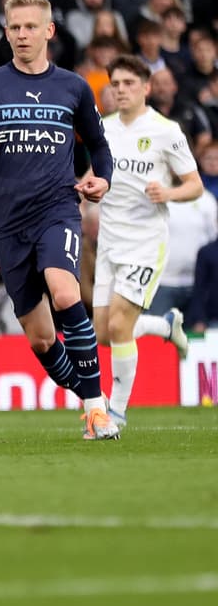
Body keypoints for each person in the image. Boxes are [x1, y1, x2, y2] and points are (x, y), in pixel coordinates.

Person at [0, 0, 119, 440]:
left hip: (58, 208)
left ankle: (97, 411)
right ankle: (92, 396)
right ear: (6, 31)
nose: (22, 34)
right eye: (15, 27)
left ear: (49, 31)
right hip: (9, 221)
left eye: (31, 27)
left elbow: (98, 144)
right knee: (40, 339)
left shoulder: (73, 87)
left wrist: (104, 179)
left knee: (64, 292)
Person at [91, 55, 200, 428]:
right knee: (104, 333)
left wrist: (168, 194)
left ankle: (116, 413)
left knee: (120, 325)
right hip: (109, 241)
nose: (121, 90)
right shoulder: (102, 129)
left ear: (146, 88)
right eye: (116, 84)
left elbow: (195, 184)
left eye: (129, 83)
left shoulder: (166, 131)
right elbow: (97, 175)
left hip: (145, 242)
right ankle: (163, 326)